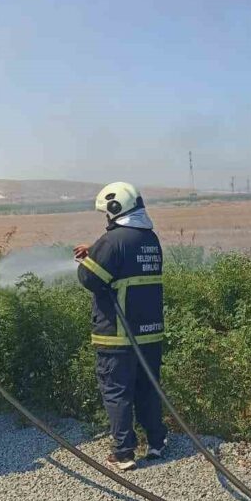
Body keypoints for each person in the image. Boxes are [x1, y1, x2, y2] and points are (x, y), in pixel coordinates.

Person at [75, 182, 167, 471]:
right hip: (150, 333)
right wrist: (95, 251)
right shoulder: (150, 239)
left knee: (116, 391)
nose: (106, 218)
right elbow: (126, 264)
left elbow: (91, 279)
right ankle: (156, 442)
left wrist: (87, 259)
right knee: (148, 387)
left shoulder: (113, 240)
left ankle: (124, 453)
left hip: (118, 335)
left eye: (107, 212)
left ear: (116, 209)